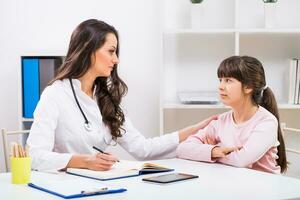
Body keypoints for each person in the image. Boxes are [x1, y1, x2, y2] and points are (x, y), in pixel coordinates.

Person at [26, 19, 217, 171]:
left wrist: (193, 130)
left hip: (99, 186)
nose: (116, 60)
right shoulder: (55, 95)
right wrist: (84, 161)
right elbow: (34, 156)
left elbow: (143, 149)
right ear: (88, 49)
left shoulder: (105, 99)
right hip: (63, 187)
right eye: (111, 51)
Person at [176, 56, 287, 174]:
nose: (220, 86)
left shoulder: (267, 122)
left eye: (228, 80)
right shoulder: (222, 120)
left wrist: (204, 153)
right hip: (234, 183)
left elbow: (241, 160)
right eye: (220, 80)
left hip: (264, 188)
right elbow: (182, 149)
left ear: (248, 87)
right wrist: (215, 151)